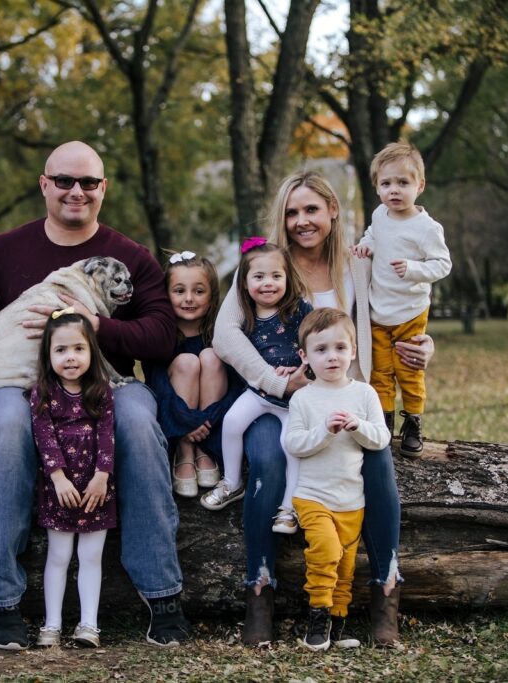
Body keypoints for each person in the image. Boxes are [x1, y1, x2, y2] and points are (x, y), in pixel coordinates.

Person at [0, 141, 189, 650]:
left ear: (103, 189)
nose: (76, 192)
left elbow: (161, 334)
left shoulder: (129, 257)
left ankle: (162, 593)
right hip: (19, 382)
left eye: (88, 182)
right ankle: (0, 600)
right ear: (44, 184)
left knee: (136, 418)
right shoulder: (3, 251)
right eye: (64, 180)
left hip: (103, 385)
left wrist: (92, 324)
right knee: (5, 422)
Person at [213, 170, 435, 647]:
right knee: (268, 463)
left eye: (311, 209)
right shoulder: (264, 264)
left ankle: (385, 591)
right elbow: (225, 333)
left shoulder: (357, 264)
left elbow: (393, 315)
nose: (301, 221)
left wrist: (424, 344)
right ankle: (260, 591)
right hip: (274, 402)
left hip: (345, 400)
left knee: (379, 469)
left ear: (333, 211)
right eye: (292, 212)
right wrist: (275, 379)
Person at [284, 308, 390, 651]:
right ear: (304, 356)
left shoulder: (364, 394)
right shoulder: (303, 398)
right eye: (321, 350)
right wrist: (324, 432)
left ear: (353, 350)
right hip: (313, 495)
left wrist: (358, 426)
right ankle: (316, 617)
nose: (332, 357)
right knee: (325, 553)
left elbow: (382, 437)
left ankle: (337, 624)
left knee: (345, 566)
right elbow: (293, 444)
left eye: (340, 348)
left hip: (351, 499)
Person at [200, 240, 312, 541]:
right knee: (233, 422)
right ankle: (232, 482)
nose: (268, 283)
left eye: (276, 276)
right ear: (244, 282)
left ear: (288, 278)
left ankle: (290, 507)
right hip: (260, 393)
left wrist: (304, 371)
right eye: (258, 277)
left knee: (292, 447)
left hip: (296, 397)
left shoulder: (300, 310)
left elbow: (316, 343)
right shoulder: (244, 315)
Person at [352, 142, 451, 456]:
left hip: (410, 311)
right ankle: (383, 422)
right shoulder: (380, 214)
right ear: (377, 187)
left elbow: (443, 264)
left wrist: (413, 269)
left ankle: (413, 421)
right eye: (386, 183)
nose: (394, 190)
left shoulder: (426, 228)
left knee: (408, 371)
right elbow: (372, 233)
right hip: (378, 311)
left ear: (419, 186)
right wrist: (366, 244)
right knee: (380, 373)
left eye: (403, 183)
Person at [31, 311, 117, 649]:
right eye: (61, 350)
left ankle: (88, 625)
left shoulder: (101, 392)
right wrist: (57, 477)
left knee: (92, 556)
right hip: (61, 488)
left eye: (79, 349)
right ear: (48, 355)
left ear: (91, 352)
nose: (70, 357)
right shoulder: (43, 393)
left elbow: (108, 435)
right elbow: (44, 436)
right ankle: (52, 625)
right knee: (59, 555)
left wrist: (102, 476)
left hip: (96, 488)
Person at [142, 251, 238, 497]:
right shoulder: (161, 336)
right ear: (166, 294)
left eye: (198, 291)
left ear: (211, 295)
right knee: (187, 362)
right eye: (179, 291)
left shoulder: (222, 333)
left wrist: (205, 421)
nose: (189, 299)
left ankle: (205, 449)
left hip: (211, 424)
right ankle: (184, 451)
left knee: (210, 357)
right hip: (173, 416)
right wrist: (187, 421)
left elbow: (237, 385)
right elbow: (158, 385)